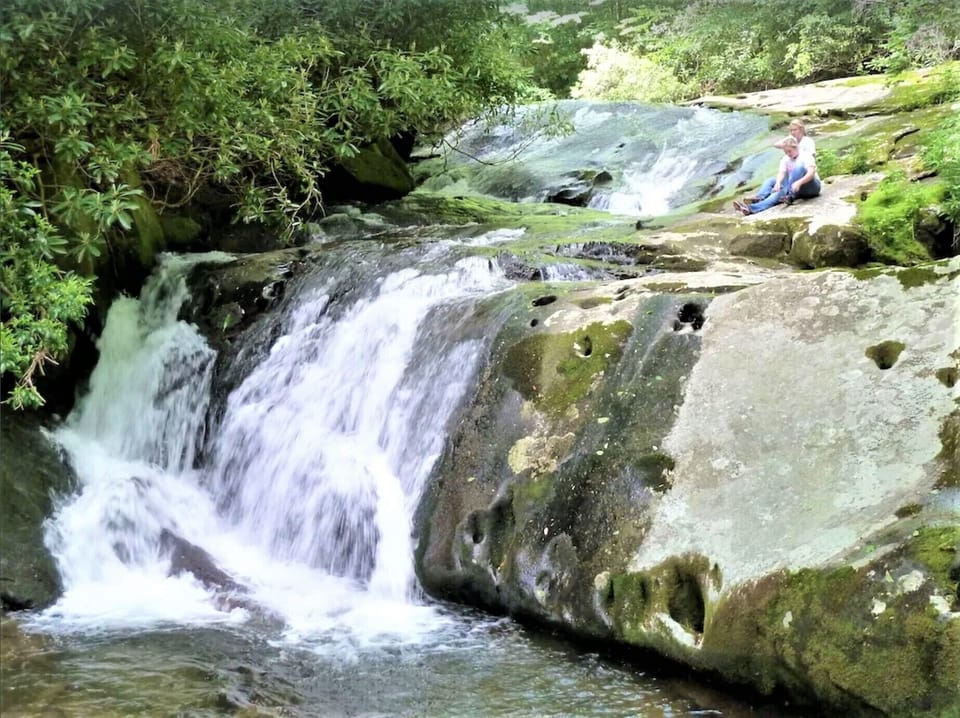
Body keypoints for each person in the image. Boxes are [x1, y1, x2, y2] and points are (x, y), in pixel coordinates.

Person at [733, 136, 821, 215]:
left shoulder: (805, 156)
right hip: (793, 187)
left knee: (798, 168)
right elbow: (781, 172)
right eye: (786, 152)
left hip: (810, 186)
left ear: (796, 147)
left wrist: (799, 182)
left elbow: (811, 173)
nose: (788, 154)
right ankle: (754, 205)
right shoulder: (786, 158)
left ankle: (789, 195)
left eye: (790, 151)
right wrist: (778, 183)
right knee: (771, 182)